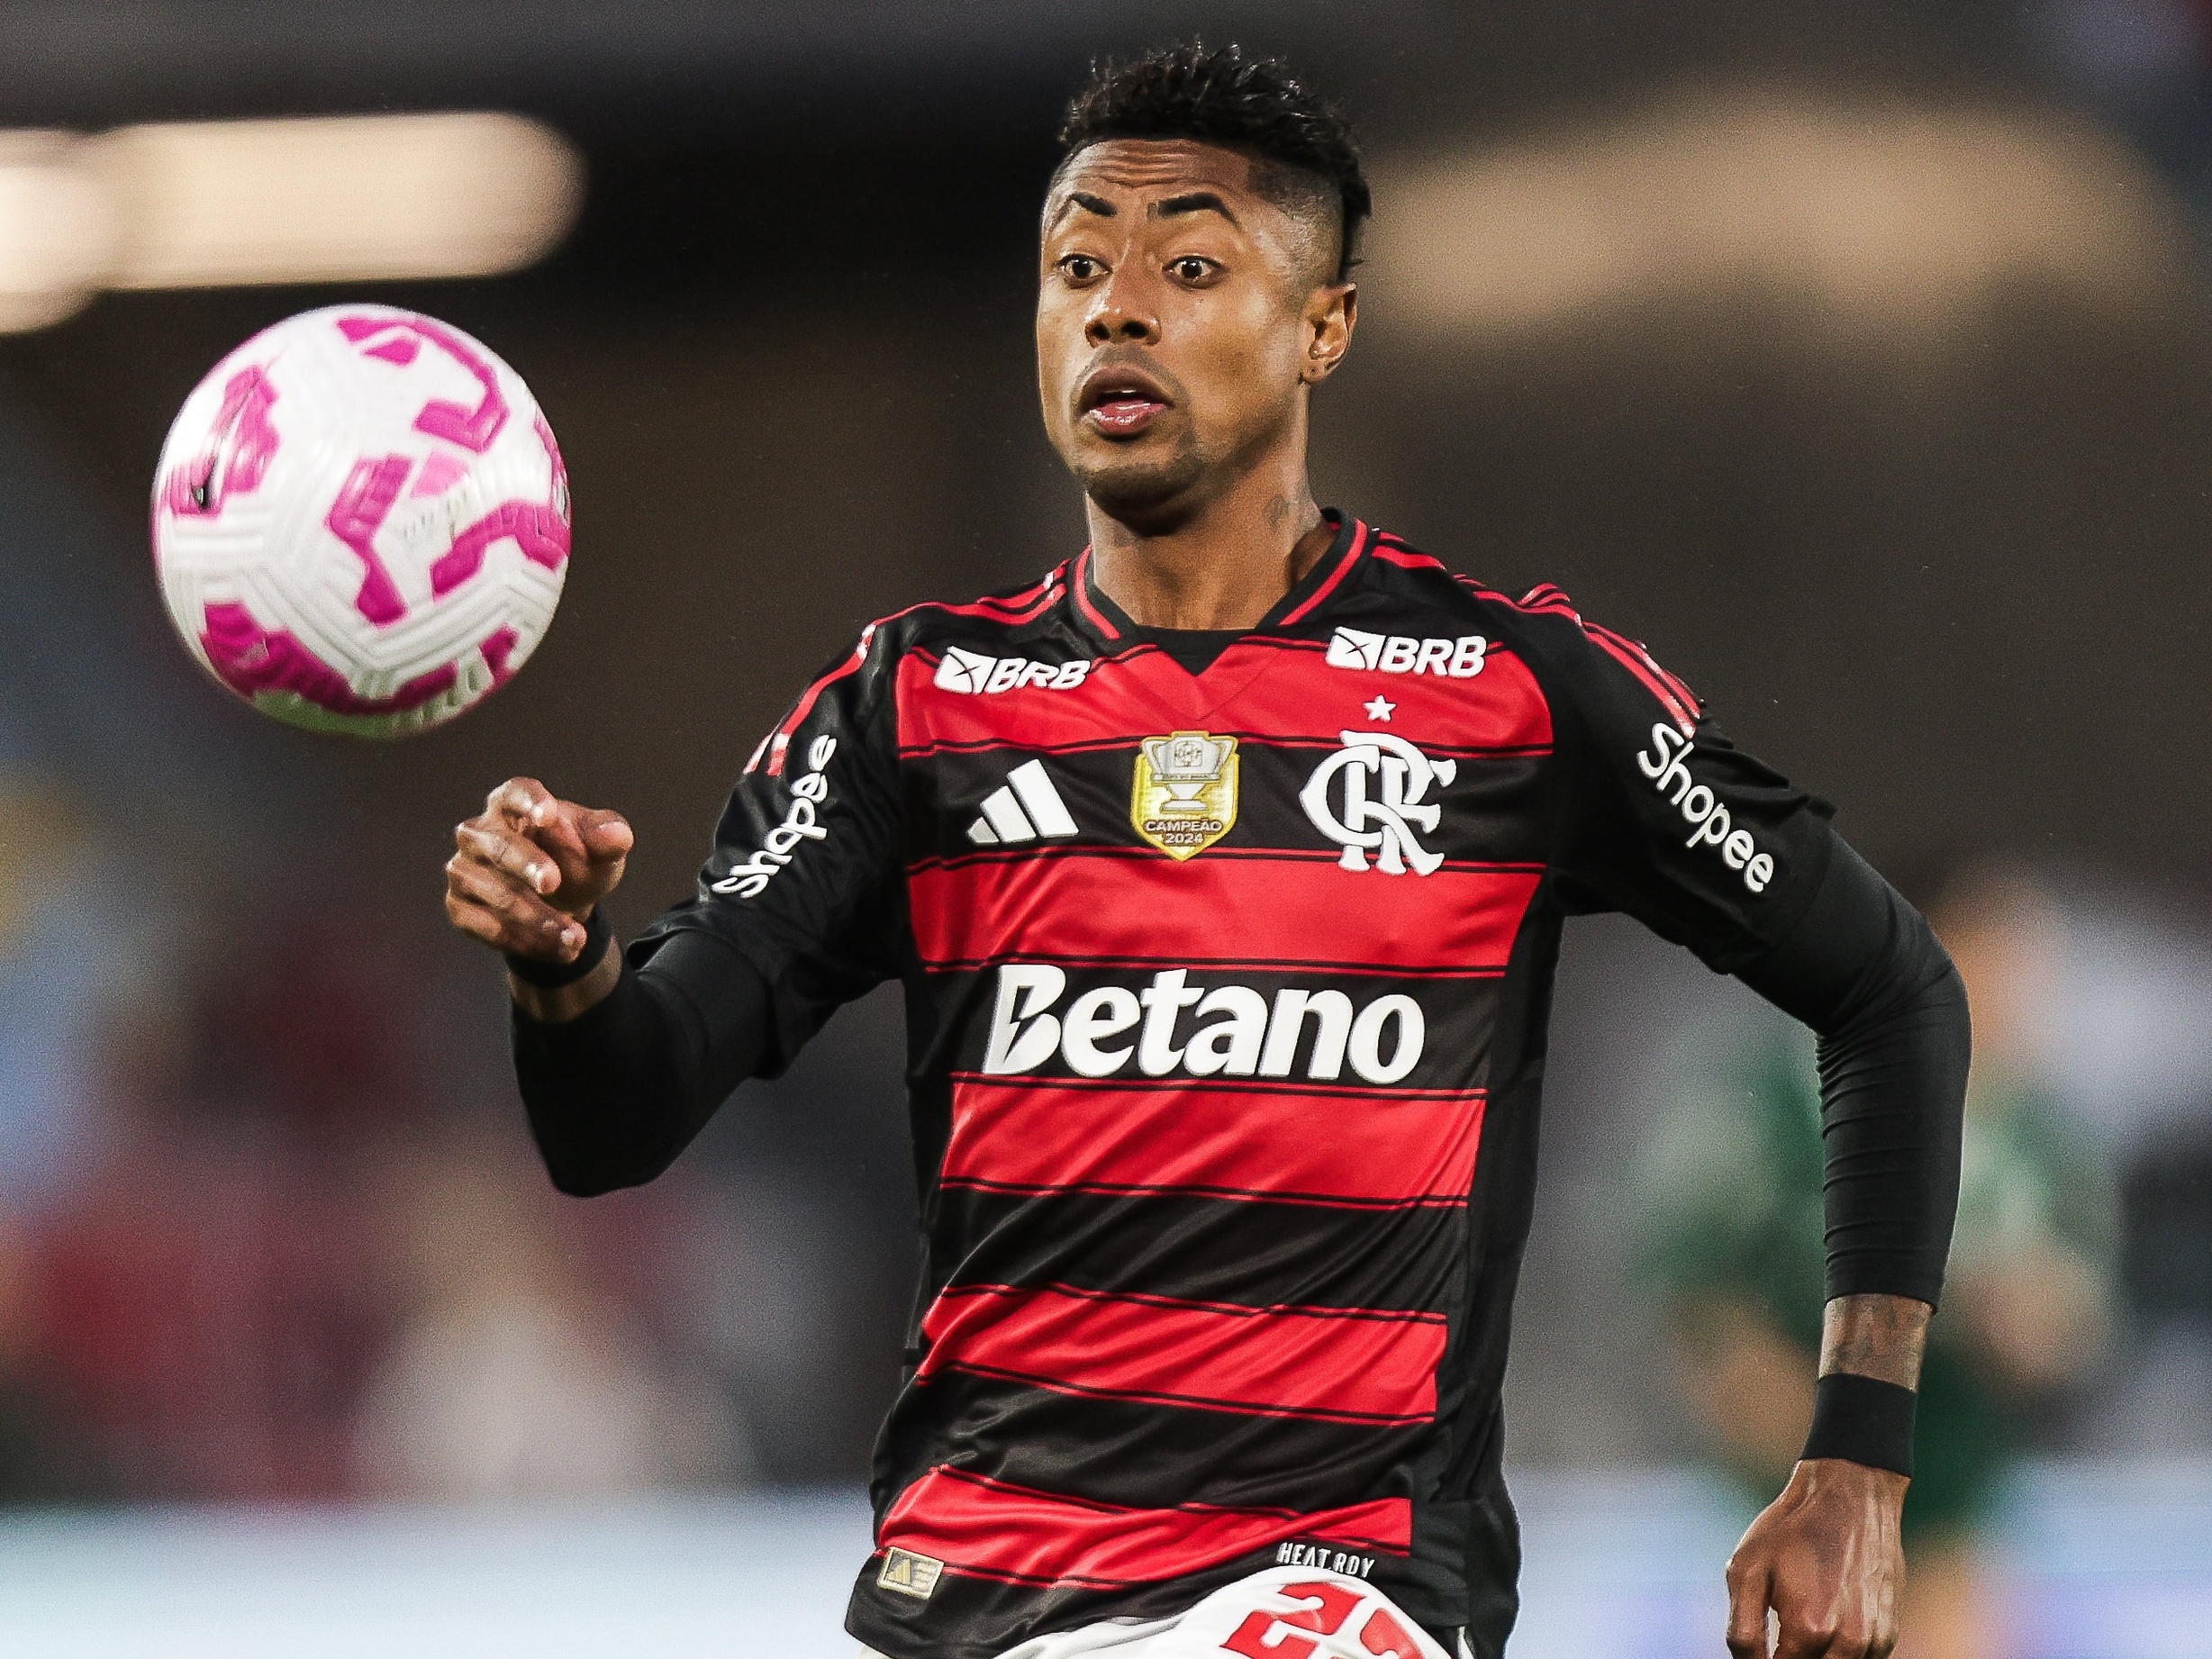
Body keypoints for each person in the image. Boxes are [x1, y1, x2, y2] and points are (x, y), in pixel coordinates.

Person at [442, 43, 1970, 1659]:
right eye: (1075, 265)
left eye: (1186, 265)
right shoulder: (913, 706)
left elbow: (1890, 991)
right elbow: (618, 1112)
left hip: (1343, 1590)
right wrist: (566, 969)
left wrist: (1856, 1459)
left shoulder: (1514, 696)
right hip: (976, 1598)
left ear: (1324, 327)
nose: (1114, 308)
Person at [1640, 863, 2116, 1659]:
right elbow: (1682, 1269)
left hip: (1948, 1490)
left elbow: (2082, 1317)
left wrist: (2036, 1324)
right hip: (1779, 1484)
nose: (2024, 990)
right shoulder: (1780, 1101)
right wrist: (1737, 1366)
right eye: (1999, 958)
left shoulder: (2042, 1138)